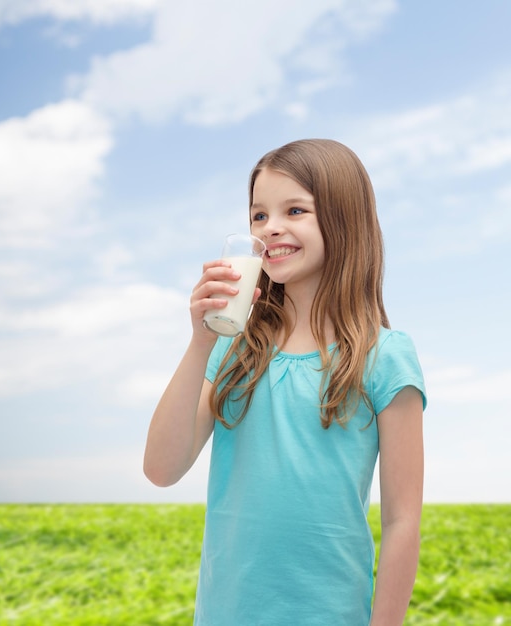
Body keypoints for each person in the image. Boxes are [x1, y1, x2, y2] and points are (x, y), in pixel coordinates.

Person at [144, 138, 426, 626]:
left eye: (294, 210)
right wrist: (200, 341)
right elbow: (161, 469)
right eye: (258, 216)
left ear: (344, 219)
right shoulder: (232, 350)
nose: (270, 228)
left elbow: (402, 523)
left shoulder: (385, 356)